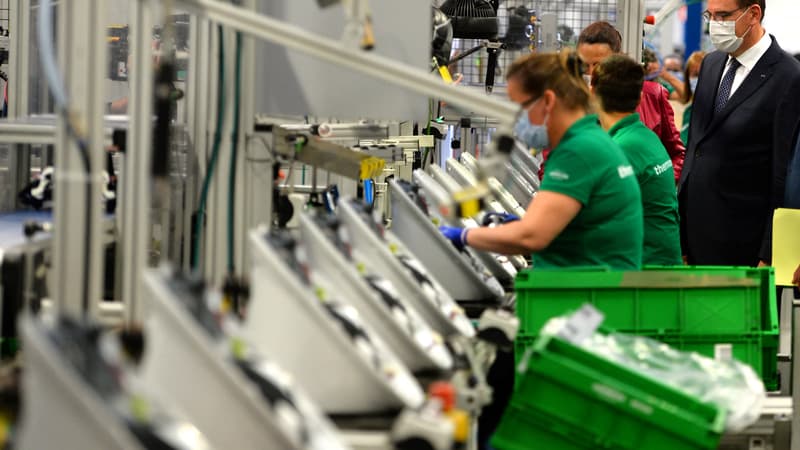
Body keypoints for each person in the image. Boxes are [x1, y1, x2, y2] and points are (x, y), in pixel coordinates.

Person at [439, 50, 644, 270]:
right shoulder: (589, 139)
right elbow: (573, 229)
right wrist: (519, 226)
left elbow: (532, 237)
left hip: (591, 295)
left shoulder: (578, 151)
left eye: (520, 107)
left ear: (547, 101)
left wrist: (464, 236)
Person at [680, 0, 800, 267]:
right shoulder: (711, 65)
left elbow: (785, 173)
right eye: (710, 15)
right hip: (697, 238)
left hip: (747, 246)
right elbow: (695, 150)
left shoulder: (789, 77)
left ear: (753, 14)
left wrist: (769, 252)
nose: (714, 25)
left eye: (723, 15)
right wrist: (682, 235)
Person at [592, 55, 682, 265]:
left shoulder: (619, 150)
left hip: (642, 274)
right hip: (662, 266)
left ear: (592, 93)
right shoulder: (646, 136)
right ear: (641, 97)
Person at [577, 21, 686, 183]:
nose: (592, 72)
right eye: (585, 65)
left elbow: (677, 154)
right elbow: (553, 163)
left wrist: (657, 183)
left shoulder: (652, 95)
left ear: (617, 58)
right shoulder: (572, 103)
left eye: (599, 64)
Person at [679, 50, 707, 143]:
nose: (698, 79)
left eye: (702, 74)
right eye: (695, 75)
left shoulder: (717, 111)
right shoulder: (689, 111)